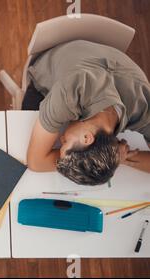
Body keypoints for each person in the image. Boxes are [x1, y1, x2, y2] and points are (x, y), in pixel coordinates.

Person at [24, 40, 150, 186]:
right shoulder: (70, 93)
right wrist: (116, 160)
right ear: (86, 138)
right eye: (65, 143)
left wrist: (114, 160)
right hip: (53, 61)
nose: (61, 138)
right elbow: (36, 162)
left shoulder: (144, 108)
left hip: (95, 50)